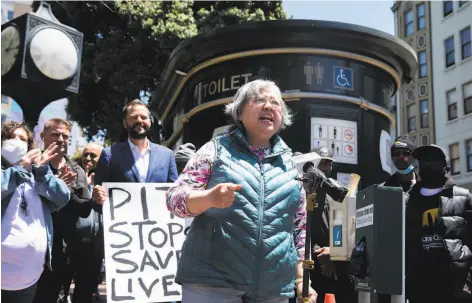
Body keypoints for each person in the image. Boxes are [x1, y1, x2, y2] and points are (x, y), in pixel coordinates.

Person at [166, 79, 317, 302]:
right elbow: (174, 200)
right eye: (259, 99)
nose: (268, 106)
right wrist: (209, 198)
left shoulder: (291, 165)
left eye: (275, 103)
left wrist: (301, 279)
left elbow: (299, 228)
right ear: (240, 111)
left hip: (273, 287)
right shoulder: (215, 150)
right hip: (213, 281)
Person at [1, 122, 71, 303]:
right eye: (11, 138)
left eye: (22, 139)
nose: (17, 142)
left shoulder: (36, 172)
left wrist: (41, 172)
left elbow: (62, 197)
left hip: (28, 279)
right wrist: (19, 169)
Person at [33, 118, 93, 303]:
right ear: (43, 136)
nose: (60, 139)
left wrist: (63, 191)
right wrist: (55, 186)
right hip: (34, 246)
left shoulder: (77, 170)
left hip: (64, 250)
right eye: (55, 134)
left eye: (65, 136)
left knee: (57, 297)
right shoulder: (32, 164)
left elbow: (84, 209)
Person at [405, 144, 472, 303]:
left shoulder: (464, 197)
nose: (428, 163)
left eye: (433, 159)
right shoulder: (407, 201)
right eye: (423, 159)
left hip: (455, 286)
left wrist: (468, 280)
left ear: (445, 165)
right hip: (419, 286)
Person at [290, 147, 356, 303]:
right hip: (305, 267)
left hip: (334, 270)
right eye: (320, 163)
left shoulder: (337, 192)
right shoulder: (300, 191)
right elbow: (298, 231)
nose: (324, 168)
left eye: (328, 163)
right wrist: (319, 254)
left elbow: (348, 232)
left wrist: (334, 252)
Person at [92, 99, 178, 206]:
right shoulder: (109, 155)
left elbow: (176, 196)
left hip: (159, 221)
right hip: (122, 221)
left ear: (150, 122)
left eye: (144, 117)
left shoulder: (167, 155)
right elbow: (96, 203)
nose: (139, 120)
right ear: (125, 123)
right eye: (134, 117)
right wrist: (98, 200)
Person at [61, 143, 105, 303]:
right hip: (72, 245)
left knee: (84, 293)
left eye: (93, 155)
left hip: (94, 248)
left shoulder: (107, 180)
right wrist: (83, 186)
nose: (87, 158)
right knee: (60, 290)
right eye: (85, 154)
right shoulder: (73, 176)